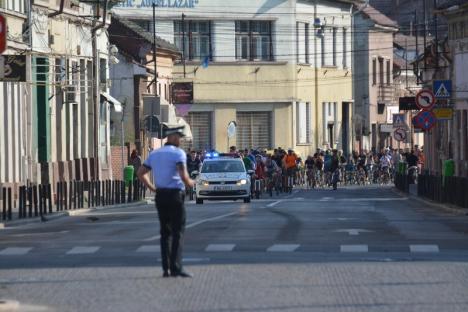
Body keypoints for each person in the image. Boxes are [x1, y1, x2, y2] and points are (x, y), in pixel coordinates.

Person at [137, 125, 195, 278]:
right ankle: (176, 267)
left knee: (164, 232)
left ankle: (165, 269)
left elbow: (141, 172)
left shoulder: (155, 154)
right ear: (173, 138)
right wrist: (190, 183)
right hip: (175, 195)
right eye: (179, 138)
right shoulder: (178, 153)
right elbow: (183, 174)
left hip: (160, 195)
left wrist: (152, 187)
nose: (180, 141)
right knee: (177, 232)